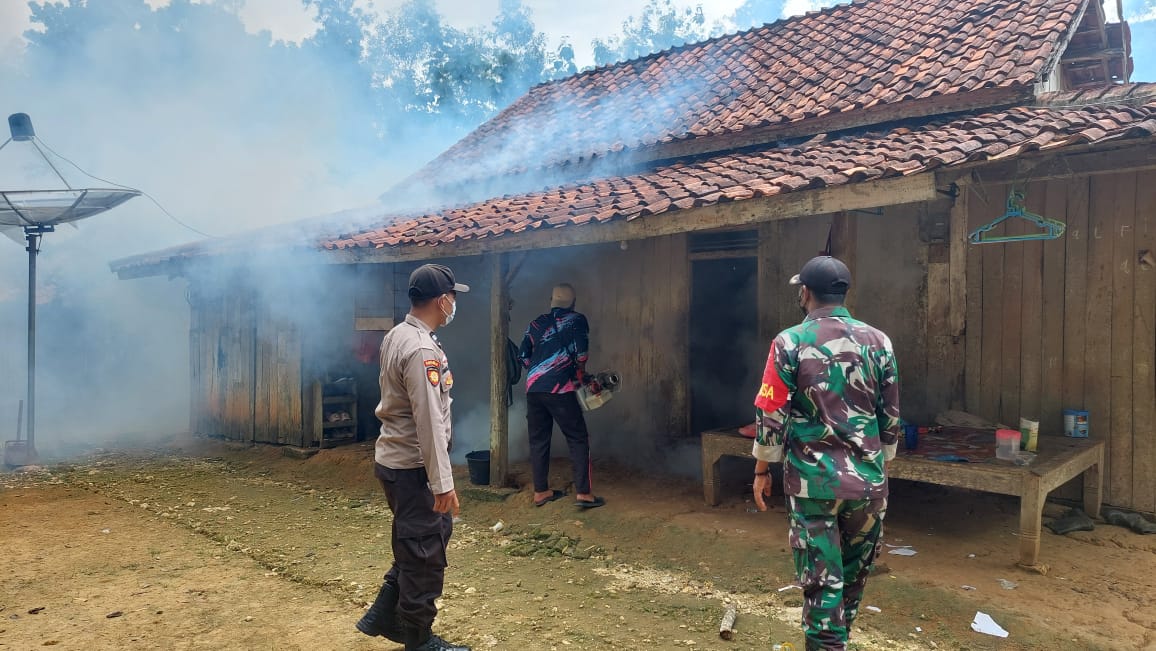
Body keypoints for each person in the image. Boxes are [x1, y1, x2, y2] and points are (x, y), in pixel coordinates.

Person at [751, 256, 900, 651]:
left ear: (805, 292)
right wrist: (877, 463)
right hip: (868, 485)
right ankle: (837, 642)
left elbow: (770, 412)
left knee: (821, 586)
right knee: (851, 581)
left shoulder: (789, 342)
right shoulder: (879, 341)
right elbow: (890, 417)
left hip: (812, 484)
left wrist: (762, 470)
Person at [356, 263, 470, 651]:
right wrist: (443, 483)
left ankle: (384, 613)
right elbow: (429, 422)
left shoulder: (399, 334)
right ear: (442, 300)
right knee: (425, 550)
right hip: (413, 466)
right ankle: (418, 639)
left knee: (419, 539)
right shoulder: (421, 348)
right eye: (453, 297)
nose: (454, 304)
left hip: (395, 460)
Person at [519, 283, 604, 509]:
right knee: (578, 438)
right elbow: (582, 353)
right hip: (560, 389)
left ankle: (541, 492)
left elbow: (523, 356)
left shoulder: (536, 323)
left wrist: (539, 370)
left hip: (534, 389)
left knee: (538, 441)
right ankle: (584, 494)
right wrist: (581, 375)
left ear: (551, 301)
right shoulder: (577, 320)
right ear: (573, 303)